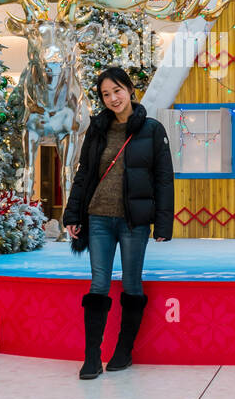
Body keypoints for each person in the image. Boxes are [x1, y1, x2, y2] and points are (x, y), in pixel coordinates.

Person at [62, 67, 175, 380]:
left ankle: (123, 351)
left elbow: (164, 178)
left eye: (117, 90)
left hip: (133, 222)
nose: (113, 98)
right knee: (98, 284)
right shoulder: (98, 130)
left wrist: (163, 224)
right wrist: (72, 215)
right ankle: (91, 357)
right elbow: (84, 174)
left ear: (129, 89)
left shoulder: (151, 129)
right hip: (98, 218)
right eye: (106, 94)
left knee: (131, 284)